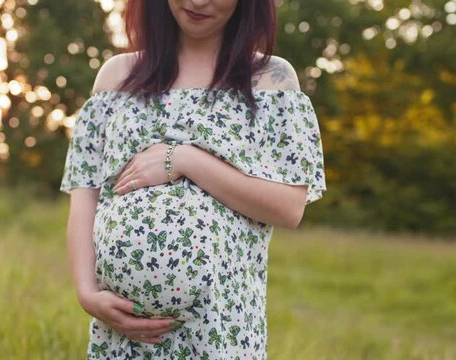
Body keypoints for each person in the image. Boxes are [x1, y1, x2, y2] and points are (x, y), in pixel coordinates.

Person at [60, 0, 326, 358]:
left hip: (220, 329)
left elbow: (289, 207)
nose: (198, 1)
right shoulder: (116, 78)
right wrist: (87, 293)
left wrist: (184, 160)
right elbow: (85, 199)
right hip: (124, 337)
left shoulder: (270, 81)